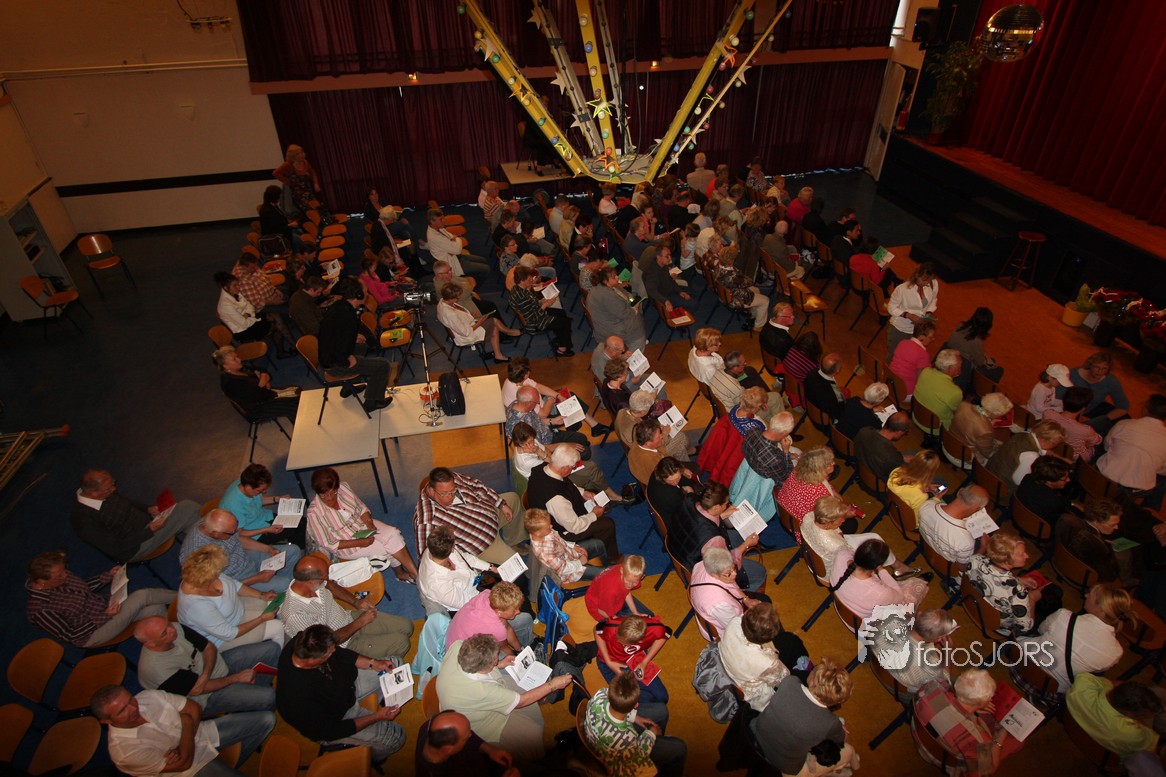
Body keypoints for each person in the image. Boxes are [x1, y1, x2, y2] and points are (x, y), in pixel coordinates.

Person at [276, 625, 405, 765]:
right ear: (313, 661)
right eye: (329, 653)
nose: (334, 651)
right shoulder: (297, 699)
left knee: (395, 665)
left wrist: (372, 663)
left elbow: (341, 654)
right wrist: (376, 717)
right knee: (397, 737)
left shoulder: (303, 642)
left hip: (347, 686)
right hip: (339, 716)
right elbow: (331, 730)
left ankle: (383, 698)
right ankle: (370, 758)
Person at [437, 634, 572, 762]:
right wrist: (552, 685)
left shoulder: (458, 646)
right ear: (486, 665)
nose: (497, 659)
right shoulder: (482, 691)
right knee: (533, 734)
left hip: (459, 697)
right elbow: (521, 701)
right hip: (483, 723)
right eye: (495, 659)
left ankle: (537, 696)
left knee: (522, 686)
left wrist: (500, 663)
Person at [92, 684, 273, 777]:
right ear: (105, 721)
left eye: (130, 700)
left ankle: (231, 762)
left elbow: (193, 708)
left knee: (267, 720)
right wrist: (185, 723)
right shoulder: (124, 752)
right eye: (122, 711)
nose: (133, 708)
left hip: (203, 733)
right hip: (190, 771)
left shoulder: (148, 696)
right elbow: (183, 765)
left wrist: (183, 745)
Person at [133, 615, 278, 717]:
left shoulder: (176, 628)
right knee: (269, 696)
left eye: (168, 624)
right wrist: (236, 678)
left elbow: (209, 647)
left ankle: (254, 690)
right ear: (150, 644)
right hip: (206, 698)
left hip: (216, 666)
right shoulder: (156, 669)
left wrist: (205, 675)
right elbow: (198, 691)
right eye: (164, 633)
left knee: (272, 649)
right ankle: (257, 707)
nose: (172, 630)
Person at [25, 550, 173, 648]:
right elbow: (69, 635)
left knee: (155, 609)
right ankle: (185, 596)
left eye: (65, 570)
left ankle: (172, 640)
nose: (66, 575)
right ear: (41, 582)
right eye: (60, 575)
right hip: (93, 633)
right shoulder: (40, 610)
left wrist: (108, 576)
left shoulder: (61, 576)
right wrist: (104, 616)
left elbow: (84, 589)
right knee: (143, 595)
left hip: (106, 607)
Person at [279, 555, 413, 658]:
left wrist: (356, 602)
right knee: (402, 642)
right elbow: (325, 644)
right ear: (311, 582)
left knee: (407, 626)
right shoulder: (294, 615)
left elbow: (329, 585)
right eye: (325, 577)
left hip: (349, 618)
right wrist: (360, 623)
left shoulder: (311, 582)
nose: (328, 579)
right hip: (343, 645)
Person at [306, 467, 417, 582]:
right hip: (347, 543)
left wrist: (369, 523)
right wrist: (360, 542)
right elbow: (328, 543)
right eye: (324, 495)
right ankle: (403, 574)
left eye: (333, 492)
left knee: (394, 533)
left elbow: (360, 507)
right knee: (387, 549)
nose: (330, 498)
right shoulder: (314, 513)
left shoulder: (343, 487)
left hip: (361, 525)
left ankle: (414, 573)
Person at [1019, 583, 1133, 695]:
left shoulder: (1064, 615)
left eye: (1090, 595)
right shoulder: (1116, 653)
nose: (1086, 595)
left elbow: (1040, 629)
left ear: (1101, 608)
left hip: (1019, 662)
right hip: (1048, 689)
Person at [68, 469, 201, 564]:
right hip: (135, 546)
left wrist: (147, 509)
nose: (114, 490)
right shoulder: (84, 522)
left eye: (113, 484)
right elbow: (115, 548)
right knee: (188, 508)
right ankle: (202, 547)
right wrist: (150, 531)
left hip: (148, 524)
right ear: (93, 494)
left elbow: (126, 502)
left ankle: (200, 548)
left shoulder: (103, 492)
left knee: (189, 518)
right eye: (109, 489)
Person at [751, 658, 854, 777]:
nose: (811, 669)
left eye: (814, 669)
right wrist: (840, 728)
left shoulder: (790, 682)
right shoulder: (831, 723)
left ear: (813, 682)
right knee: (848, 751)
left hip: (754, 735)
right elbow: (841, 739)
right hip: (783, 766)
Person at [176, 546, 284, 651]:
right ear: (209, 575)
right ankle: (282, 655)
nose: (220, 573)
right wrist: (261, 619)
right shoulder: (197, 607)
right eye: (218, 571)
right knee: (277, 627)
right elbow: (229, 634)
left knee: (280, 603)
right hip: (224, 638)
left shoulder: (206, 575)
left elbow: (235, 585)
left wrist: (261, 595)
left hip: (237, 608)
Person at [913, 671, 1021, 776]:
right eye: (990, 697)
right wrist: (999, 739)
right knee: (1018, 742)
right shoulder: (979, 741)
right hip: (946, 761)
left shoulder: (929, 689)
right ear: (982, 702)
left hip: (922, 742)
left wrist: (974, 708)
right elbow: (987, 771)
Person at [582, 670, 688, 777]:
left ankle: (661, 743)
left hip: (601, 730)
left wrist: (633, 716)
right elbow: (640, 754)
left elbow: (613, 706)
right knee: (680, 748)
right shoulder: (627, 737)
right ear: (636, 705)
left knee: (662, 711)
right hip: (623, 757)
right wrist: (651, 733)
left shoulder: (600, 694)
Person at [526, 445, 622, 562]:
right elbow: (574, 527)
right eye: (572, 467)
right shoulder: (556, 499)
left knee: (593, 492)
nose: (573, 469)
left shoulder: (544, 468)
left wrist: (582, 492)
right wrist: (594, 515)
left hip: (560, 512)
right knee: (608, 524)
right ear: (565, 467)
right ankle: (612, 559)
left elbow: (564, 482)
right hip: (564, 531)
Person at [413, 467, 523, 565]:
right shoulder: (426, 518)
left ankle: (514, 541)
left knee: (513, 498)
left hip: (489, 513)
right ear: (432, 490)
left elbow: (477, 486)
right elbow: (426, 556)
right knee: (516, 564)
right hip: (482, 544)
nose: (450, 496)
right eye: (444, 493)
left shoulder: (453, 478)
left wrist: (501, 504)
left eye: (453, 491)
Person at [666, 482, 765, 590]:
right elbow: (725, 563)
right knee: (760, 572)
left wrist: (722, 515)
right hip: (702, 567)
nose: (727, 506)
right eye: (726, 504)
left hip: (682, 549)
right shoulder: (714, 538)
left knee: (737, 537)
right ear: (717, 507)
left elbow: (695, 523)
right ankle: (741, 596)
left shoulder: (689, 500)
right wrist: (746, 545)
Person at [179, 508, 301, 594]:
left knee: (293, 550)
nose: (236, 531)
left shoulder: (214, 524)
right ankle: (285, 593)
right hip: (239, 578)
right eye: (232, 532)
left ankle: (285, 591)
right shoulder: (196, 555)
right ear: (215, 533)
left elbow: (239, 539)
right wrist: (257, 578)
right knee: (284, 584)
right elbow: (218, 588)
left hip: (247, 556)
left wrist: (268, 549)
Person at [318, 277, 392, 412]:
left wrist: (353, 337)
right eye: (365, 291)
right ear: (358, 295)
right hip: (335, 365)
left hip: (326, 358)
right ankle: (372, 402)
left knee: (362, 346)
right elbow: (339, 348)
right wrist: (347, 361)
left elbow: (334, 334)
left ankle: (347, 387)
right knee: (383, 365)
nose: (367, 294)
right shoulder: (349, 316)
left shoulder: (340, 306)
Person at [967, 530, 1060, 635]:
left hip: (972, 604)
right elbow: (1025, 627)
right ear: (1006, 561)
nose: (1027, 556)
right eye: (1021, 554)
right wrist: (1032, 599)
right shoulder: (1018, 593)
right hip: (998, 625)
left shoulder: (975, 559)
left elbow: (993, 577)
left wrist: (1018, 579)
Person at [802, 495, 916, 578]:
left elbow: (838, 536)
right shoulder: (836, 545)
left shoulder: (808, 517)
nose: (843, 521)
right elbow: (849, 553)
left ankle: (897, 566)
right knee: (874, 550)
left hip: (820, 549)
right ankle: (895, 570)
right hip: (833, 569)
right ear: (828, 522)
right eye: (840, 519)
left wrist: (838, 531)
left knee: (874, 538)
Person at [719, 603, 802, 712]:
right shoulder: (768, 663)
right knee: (793, 642)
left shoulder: (734, 622)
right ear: (768, 639)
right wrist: (774, 657)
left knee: (789, 640)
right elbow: (784, 680)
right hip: (750, 689)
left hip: (728, 662)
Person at [1066, 676, 1163, 765]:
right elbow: (1152, 748)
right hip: (1103, 756)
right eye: (1142, 716)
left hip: (1072, 726)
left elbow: (1110, 682)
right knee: (1159, 692)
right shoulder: (1133, 735)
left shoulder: (1082, 685)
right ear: (1128, 714)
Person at [594, 615, 672, 725]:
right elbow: (596, 630)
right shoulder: (612, 626)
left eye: (622, 642)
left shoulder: (655, 628)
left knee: (663, 697)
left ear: (640, 641)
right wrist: (608, 662)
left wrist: (644, 662)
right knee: (640, 700)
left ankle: (636, 715)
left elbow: (665, 635)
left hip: (634, 658)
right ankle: (632, 718)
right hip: (610, 663)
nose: (618, 641)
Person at [830, 539, 929, 620]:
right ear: (878, 565)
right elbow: (899, 597)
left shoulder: (841, 555)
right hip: (860, 624)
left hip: (841, 604)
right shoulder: (880, 593)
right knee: (917, 586)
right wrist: (882, 570)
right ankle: (921, 581)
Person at [876, 608, 959, 703]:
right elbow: (943, 683)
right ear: (938, 639)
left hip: (878, 666)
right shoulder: (932, 666)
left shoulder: (888, 618)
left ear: (919, 615)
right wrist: (948, 653)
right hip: (900, 690)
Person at [1098, 394, 1166, 509]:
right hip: (1134, 489)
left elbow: (1107, 445)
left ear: (1145, 409)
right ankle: (1148, 510)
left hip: (1104, 476)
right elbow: (1163, 470)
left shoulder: (1125, 424)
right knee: (1162, 481)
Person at [416, 710, 520, 777]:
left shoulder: (429, 726)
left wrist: (489, 749)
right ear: (448, 749)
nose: (471, 734)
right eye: (466, 737)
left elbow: (469, 735)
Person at [689, 546, 761, 639]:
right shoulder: (719, 603)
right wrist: (750, 615)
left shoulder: (702, 565)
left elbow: (731, 583)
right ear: (714, 575)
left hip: (728, 612)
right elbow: (735, 627)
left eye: (733, 568)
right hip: (726, 630)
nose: (735, 574)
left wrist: (746, 599)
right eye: (728, 573)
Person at [437, 282, 517, 364]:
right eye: (457, 297)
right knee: (493, 321)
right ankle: (508, 334)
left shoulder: (442, 302)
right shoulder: (450, 314)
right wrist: (480, 322)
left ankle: (499, 352)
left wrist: (470, 316)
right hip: (465, 336)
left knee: (494, 325)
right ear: (450, 298)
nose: (459, 297)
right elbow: (465, 332)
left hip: (466, 327)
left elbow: (458, 319)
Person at [214, 346, 299, 422]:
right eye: (234, 359)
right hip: (259, 408)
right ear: (225, 366)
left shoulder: (240, 368)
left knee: (297, 391)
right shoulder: (231, 383)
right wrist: (265, 382)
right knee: (294, 407)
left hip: (266, 395)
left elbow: (262, 370)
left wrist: (264, 381)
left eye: (237, 357)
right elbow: (259, 395)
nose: (239, 360)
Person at [445, 581, 534, 651]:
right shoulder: (495, 628)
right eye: (514, 610)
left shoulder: (487, 594)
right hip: (464, 657)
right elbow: (504, 649)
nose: (518, 611)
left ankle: (526, 649)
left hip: (458, 636)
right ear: (499, 612)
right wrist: (515, 658)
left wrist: (520, 649)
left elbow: (507, 628)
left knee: (526, 618)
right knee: (505, 660)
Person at [777, 447, 852, 531]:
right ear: (821, 469)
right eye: (830, 463)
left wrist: (834, 492)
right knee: (851, 525)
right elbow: (828, 517)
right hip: (798, 526)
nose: (834, 463)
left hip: (784, 510)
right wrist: (845, 514)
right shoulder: (821, 493)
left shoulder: (798, 469)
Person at [525, 507, 604, 584]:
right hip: (570, 572)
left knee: (598, 543)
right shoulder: (544, 553)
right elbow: (562, 569)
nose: (551, 526)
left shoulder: (544, 531)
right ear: (538, 533)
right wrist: (580, 562)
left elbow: (559, 539)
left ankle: (605, 563)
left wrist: (573, 546)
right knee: (604, 572)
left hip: (568, 553)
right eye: (548, 527)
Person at [1054, 497, 1124, 583]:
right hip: (1078, 574)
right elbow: (1108, 576)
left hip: (1059, 559)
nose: (1117, 527)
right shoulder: (1099, 547)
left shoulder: (1066, 519)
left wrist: (1102, 540)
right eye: (1112, 525)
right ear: (1096, 521)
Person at [217, 463, 291, 543]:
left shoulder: (243, 483)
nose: (264, 492)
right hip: (254, 533)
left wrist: (277, 499)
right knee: (293, 530)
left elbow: (258, 501)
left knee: (297, 522)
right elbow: (239, 533)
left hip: (263, 516)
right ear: (248, 487)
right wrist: (267, 529)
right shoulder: (234, 506)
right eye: (260, 491)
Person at [986, 419, 1068, 491]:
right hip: (1002, 488)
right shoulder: (1031, 456)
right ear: (1043, 439)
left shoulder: (1023, 434)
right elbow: (1019, 481)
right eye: (1054, 444)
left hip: (989, 474)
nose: (1054, 447)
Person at [510, 265, 574, 356]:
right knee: (566, 322)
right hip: (534, 324)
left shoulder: (516, 289)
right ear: (522, 281)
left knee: (561, 313)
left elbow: (530, 306)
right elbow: (533, 318)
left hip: (534, 314)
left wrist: (541, 301)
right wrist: (545, 305)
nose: (531, 281)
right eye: (529, 279)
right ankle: (561, 349)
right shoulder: (523, 297)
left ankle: (561, 338)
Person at [919, 485, 991, 564]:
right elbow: (964, 567)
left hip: (926, 545)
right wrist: (983, 547)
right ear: (976, 509)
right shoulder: (966, 541)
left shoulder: (927, 505)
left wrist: (936, 498)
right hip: (946, 565)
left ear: (959, 492)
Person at [1063, 351, 1131, 434]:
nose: (1099, 371)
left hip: (1093, 406)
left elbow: (1123, 406)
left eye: (1104, 369)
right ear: (1090, 365)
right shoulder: (1074, 374)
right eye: (1096, 367)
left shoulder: (1111, 381)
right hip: (1071, 408)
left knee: (1124, 419)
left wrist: (1102, 420)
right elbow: (1059, 396)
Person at [587, 265, 647, 352]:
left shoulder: (611, 286)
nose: (617, 277)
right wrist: (635, 308)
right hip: (611, 328)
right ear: (605, 281)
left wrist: (633, 300)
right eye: (614, 277)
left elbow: (627, 295)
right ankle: (635, 355)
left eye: (616, 275)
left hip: (610, 322)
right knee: (639, 334)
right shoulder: (607, 295)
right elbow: (624, 314)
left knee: (637, 318)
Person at [886, 262, 939, 359]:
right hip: (900, 328)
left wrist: (929, 312)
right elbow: (891, 307)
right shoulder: (902, 289)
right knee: (894, 356)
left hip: (917, 330)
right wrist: (907, 315)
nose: (927, 283)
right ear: (917, 275)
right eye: (924, 280)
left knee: (908, 356)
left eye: (929, 280)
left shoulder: (933, 283)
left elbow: (933, 299)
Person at [741, 411, 799, 493]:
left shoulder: (752, 431)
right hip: (769, 479)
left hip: (752, 459)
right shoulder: (774, 459)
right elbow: (786, 477)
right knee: (799, 454)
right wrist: (786, 452)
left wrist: (788, 455)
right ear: (784, 433)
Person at [950, 393, 1013, 465]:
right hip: (963, 455)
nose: (999, 416)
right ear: (994, 413)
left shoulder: (964, 405)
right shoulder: (986, 431)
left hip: (950, 441)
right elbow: (988, 453)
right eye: (1000, 415)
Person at [1044, 386, 1104, 462]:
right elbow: (1097, 441)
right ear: (1083, 408)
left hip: (1053, 449)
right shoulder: (1085, 430)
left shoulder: (1048, 413)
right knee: (1103, 424)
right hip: (1076, 459)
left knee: (1102, 420)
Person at [426, 209, 488, 280]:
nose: (444, 220)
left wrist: (453, 242)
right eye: (440, 219)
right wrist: (457, 239)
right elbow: (457, 249)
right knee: (486, 269)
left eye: (443, 218)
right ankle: (474, 285)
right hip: (453, 263)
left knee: (483, 260)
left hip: (456, 256)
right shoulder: (434, 237)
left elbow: (452, 237)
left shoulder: (439, 228)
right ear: (432, 221)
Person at [913, 349, 964, 431]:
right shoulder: (955, 392)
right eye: (960, 365)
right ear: (951, 368)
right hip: (935, 428)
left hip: (917, 416)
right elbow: (957, 413)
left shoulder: (925, 372)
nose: (961, 367)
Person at [272, 143, 325, 221]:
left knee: (316, 208)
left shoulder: (305, 163)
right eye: (298, 154)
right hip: (297, 195)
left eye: (302, 153)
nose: (301, 155)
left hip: (308, 191)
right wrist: (288, 182)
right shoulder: (288, 165)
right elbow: (275, 173)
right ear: (293, 156)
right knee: (307, 212)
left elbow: (313, 173)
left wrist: (316, 183)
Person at [586, 556, 650, 621]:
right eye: (628, 581)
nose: (630, 585)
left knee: (646, 617)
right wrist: (617, 621)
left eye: (634, 582)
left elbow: (626, 591)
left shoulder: (626, 571)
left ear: (642, 577)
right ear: (621, 571)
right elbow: (601, 610)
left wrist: (636, 612)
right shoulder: (611, 591)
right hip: (599, 609)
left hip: (612, 599)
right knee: (634, 624)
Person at [215, 272, 270, 345]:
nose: (238, 287)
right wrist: (250, 315)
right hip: (242, 331)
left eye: (238, 284)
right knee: (273, 320)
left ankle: (277, 347)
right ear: (226, 288)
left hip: (249, 320)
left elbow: (250, 306)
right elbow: (243, 324)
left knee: (272, 317)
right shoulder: (225, 305)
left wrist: (247, 314)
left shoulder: (234, 293)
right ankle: (276, 347)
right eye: (235, 285)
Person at [855, 412, 912, 482]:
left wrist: (901, 458)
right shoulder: (891, 456)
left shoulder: (864, 431)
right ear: (899, 432)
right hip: (879, 482)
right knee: (913, 454)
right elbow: (895, 469)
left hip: (862, 468)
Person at [1014, 456, 1074, 522]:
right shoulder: (1054, 501)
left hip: (1017, 516)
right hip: (1033, 525)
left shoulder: (1027, 478)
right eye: (1065, 479)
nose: (1068, 480)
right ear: (1050, 482)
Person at [887, 319, 937, 399]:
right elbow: (920, 379)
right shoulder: (923, 354)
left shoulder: (903, 342)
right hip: (904, 392)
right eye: (930, 337)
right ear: (921, 337)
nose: (933, 339)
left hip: (889, 383)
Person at [887, 449, 944, 516]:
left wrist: (925, 486)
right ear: (931, 472)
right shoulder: (921, 496)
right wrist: (936, 499)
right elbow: (917, 518)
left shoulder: (897, 471)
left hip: (891, 504)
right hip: (905, 518)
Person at [803, 353, 848, 419]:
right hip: (823, 420)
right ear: (837, 370)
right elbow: (840, 409)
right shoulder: (835, 390)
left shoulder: (812, 372)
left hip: (810, 408)